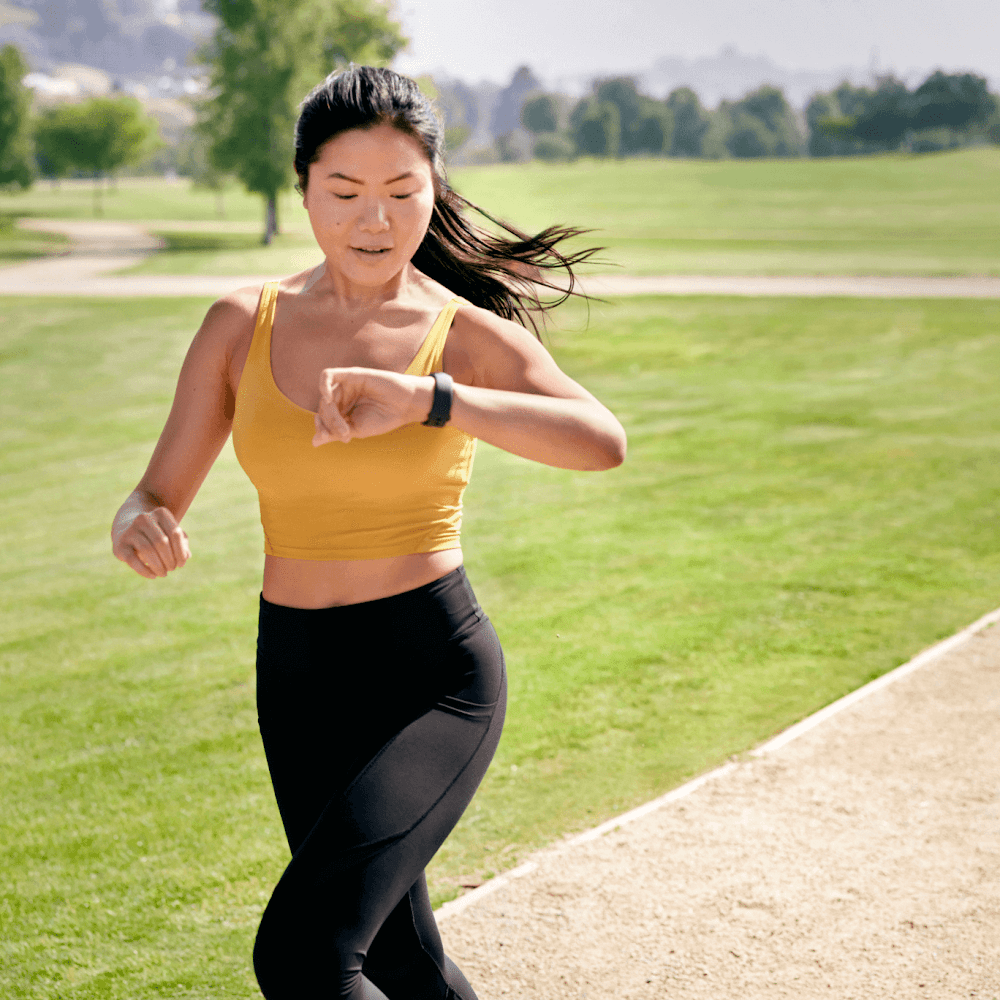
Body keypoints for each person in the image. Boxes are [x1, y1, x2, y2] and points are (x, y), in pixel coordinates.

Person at [111, 65, 626, 1000]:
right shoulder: (241, 324)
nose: (374, 221)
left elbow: (602, 442)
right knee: (394, 956)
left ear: (434, 188)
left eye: (401, 193)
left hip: (431, 671)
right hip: (299, 671)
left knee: (305, 957)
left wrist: (432, 401)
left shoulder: (460, 334)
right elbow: (153, 494)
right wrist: (140, 525)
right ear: (304, 185)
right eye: (344, 193)